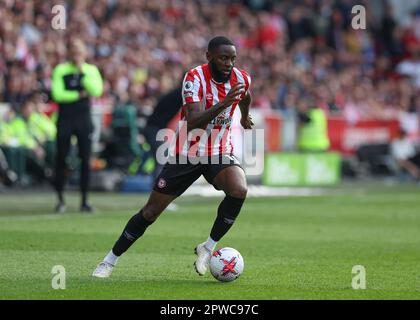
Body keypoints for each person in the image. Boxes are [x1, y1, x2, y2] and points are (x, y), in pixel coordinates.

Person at [92, 36, 253, 278]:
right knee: (150, 212)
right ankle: (109, 261)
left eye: (232, 58)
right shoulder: (194, 78)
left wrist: (243, 114)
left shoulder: (241, 78)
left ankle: (207, 247)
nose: (229, 63)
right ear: (209, 56)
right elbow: (193, 120)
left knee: (239, 189)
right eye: (223, 58)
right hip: (186, 153)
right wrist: (225, 103)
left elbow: (245, 95)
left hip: (219, 151)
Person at [51, 38, 104, 214]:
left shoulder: (90, 70)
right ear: (69, 53)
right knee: (61, 157)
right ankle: (60, 199)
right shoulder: (61, 69)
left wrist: (82, 72)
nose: (77, 55)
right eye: (74, 51)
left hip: (83, 119)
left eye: (79, 51)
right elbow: (58, 95)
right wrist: (80, 94)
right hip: (65, 118)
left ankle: (85, 200)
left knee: (85, 158)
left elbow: (96, 91)